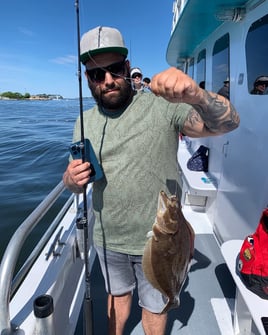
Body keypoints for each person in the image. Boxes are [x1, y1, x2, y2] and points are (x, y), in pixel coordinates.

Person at [63, 26, 240, 335]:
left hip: (165, 242)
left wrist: (197, 95)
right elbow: (75, 179)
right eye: (96, 74)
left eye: (115, 70)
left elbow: (227, 123)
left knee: (155, 309)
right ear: (87, 78)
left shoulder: (163, 106)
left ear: (127, 67)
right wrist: (71, 180)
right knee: (117, 299)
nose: (107, 80)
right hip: (109, 238)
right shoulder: (83, 122)